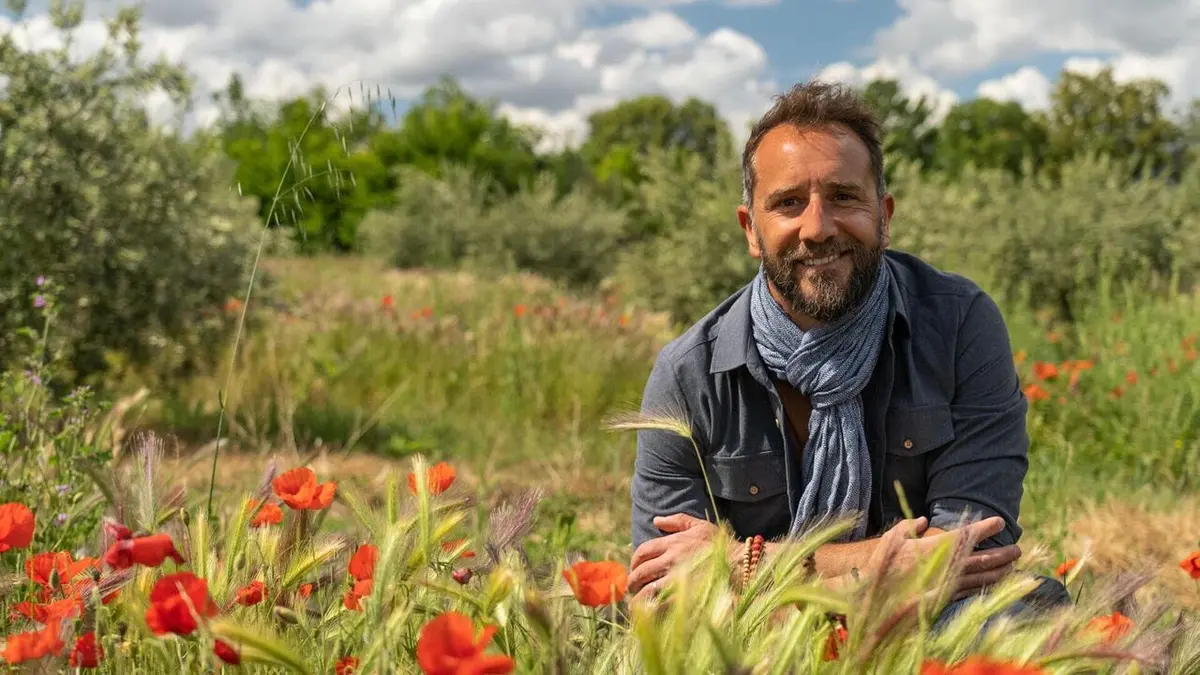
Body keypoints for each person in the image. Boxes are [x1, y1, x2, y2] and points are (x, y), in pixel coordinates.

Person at [626, 80, 1069, 619]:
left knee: (1012, 617)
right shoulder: (688, 375)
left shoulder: (959, 325)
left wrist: (743, 564)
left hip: (928, 624)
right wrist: (878, 569)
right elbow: (664, 593)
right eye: (788, 203)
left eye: (843, 196)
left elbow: (971, 551)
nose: (817, 228)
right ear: (751, 230)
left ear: (884, 217)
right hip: (767, 645)